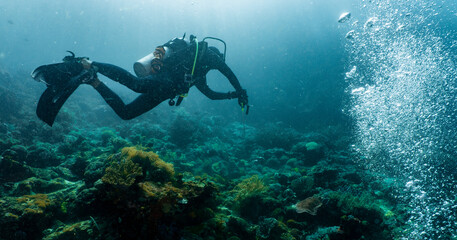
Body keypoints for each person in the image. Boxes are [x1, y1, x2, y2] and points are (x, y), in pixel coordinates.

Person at [31, 35, 249, 126]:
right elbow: (229, 72)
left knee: (126, 114)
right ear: (216, 55)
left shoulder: (198, 74)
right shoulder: (209, 56)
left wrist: (232, 95)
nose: (218, 63)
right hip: (165, 81)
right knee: (136, 85)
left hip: (165, 92)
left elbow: (210, 94)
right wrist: (240, 91)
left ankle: (93, 80)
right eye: (219, 60)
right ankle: (90, 64)